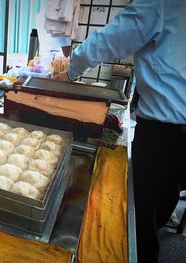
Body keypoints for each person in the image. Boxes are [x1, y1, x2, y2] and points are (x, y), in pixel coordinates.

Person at [53, 0, 186, 262]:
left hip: (164, 133)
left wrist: (72, 71)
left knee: (141, 213)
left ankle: (142, 253)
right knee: (166, 196)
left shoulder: (160, 3)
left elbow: (108, 40)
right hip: (174, 134)